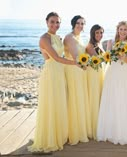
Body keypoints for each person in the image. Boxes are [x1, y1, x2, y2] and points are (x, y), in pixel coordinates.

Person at [28, 12, 76, 152]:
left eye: (58, 22)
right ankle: (50, 138)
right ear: (46, 22)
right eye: (52, 22)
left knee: (60, 102)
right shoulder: (44, 38)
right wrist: (76, 63)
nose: (55, 25)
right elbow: (56, 58)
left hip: (60, 72)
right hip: (51, 73)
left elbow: (63, 54)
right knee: (52, 102)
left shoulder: (58, 37)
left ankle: (59, 135)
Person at [96, 21, 127, 145]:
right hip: (112, 72)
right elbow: (108, 58)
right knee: (112, 98)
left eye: (125, 30)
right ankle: (110, 130)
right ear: (118, 30)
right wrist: (113, 54)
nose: (122, 32)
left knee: (125, 98)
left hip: (125, 73)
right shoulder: (111, 42)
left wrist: (123, 56)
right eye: (121, 29)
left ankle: (125, 130)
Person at [63, 15, 91, 145]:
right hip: (73, 71)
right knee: (74, 99)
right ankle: (74, 132)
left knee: (80, 99)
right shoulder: (69, 37)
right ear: (73, 24)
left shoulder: (79, 38)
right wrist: (86, 66)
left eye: (82, 24)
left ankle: (80, 129)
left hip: (80, 72)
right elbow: (75, 58)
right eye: (78, 23)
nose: (80, 25)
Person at [85, 24, 105, 140]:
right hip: (93, 74)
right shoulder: (90, 46)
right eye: (97, 33)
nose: (99, 35)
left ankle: (100, 124)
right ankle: (94, 127)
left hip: (99, 73)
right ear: (92, 34)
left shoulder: (98, 44)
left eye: (101, 32)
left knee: (99, 98)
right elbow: (98, 59)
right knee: (94, 98)